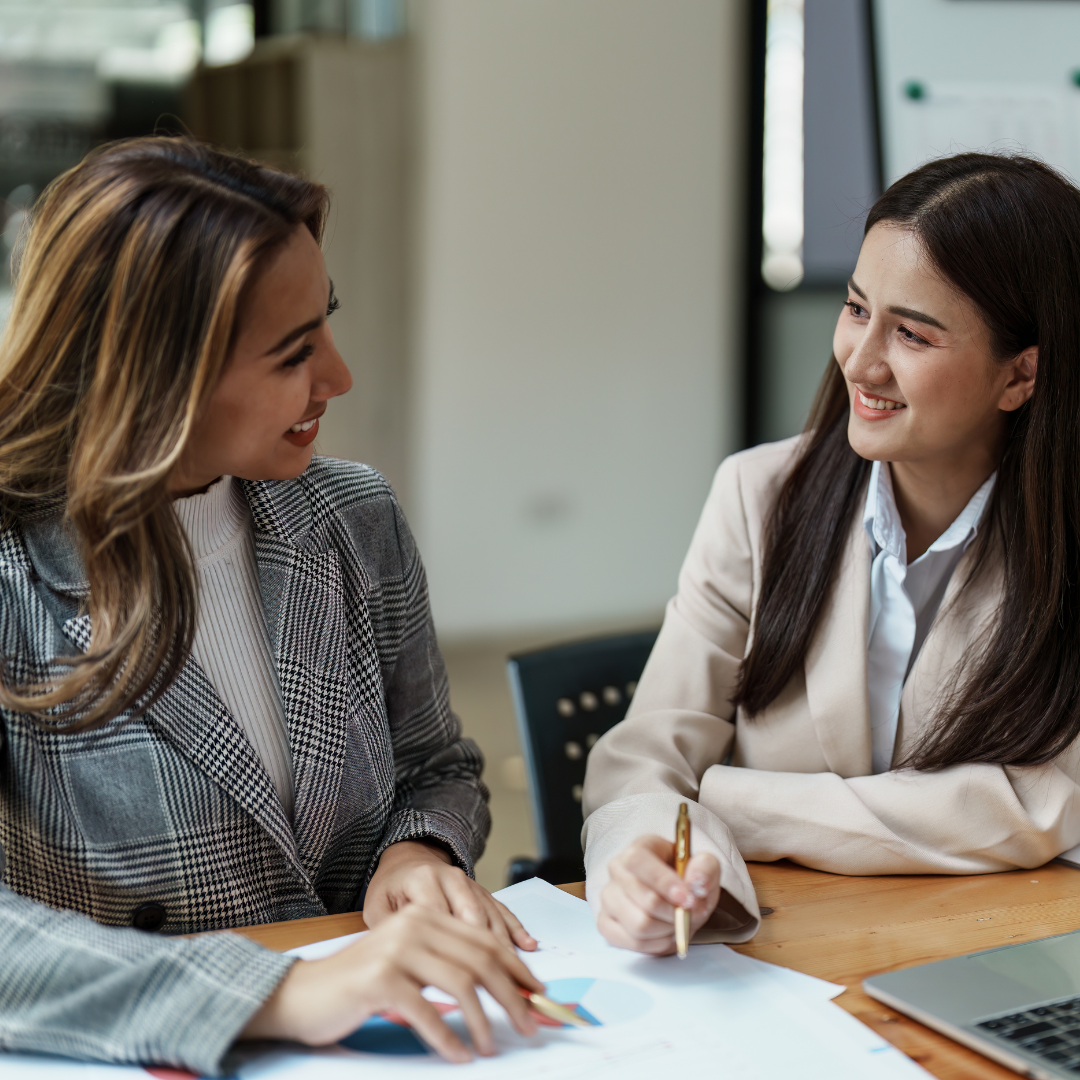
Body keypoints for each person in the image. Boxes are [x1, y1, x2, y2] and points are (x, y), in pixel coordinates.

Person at [0, 136, 543, 1073]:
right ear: (153, 374)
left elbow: (436, 765)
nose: (338, 377)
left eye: (325, 324)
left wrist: (417, 854)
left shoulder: (352, 513)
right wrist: (283, 992)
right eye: (293, 354)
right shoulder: (14, 568)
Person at [583, 152, 1080, 956]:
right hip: (780, 950)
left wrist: (733, 803)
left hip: (1007, 952)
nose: (860, 358)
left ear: (1021, 373)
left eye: (912, 332)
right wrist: (651, 856)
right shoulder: (759, 495)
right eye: (856, 309)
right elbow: (646, 757)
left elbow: (1046, 806)